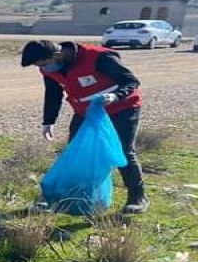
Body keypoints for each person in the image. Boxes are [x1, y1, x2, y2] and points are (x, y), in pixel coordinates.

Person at [21, 40, 149, 214]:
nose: (43, 68)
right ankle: (74, 196)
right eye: (39, 66)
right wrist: (48, 121)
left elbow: (131, 81)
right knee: (76, 152)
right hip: (86, 112)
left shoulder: (98, 57)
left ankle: (137, 196)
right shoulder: (49, 68)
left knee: (123, 151)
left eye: (43, 64)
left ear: (57, 55)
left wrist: (115, 96)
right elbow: (53, 93)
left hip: (122, 108)